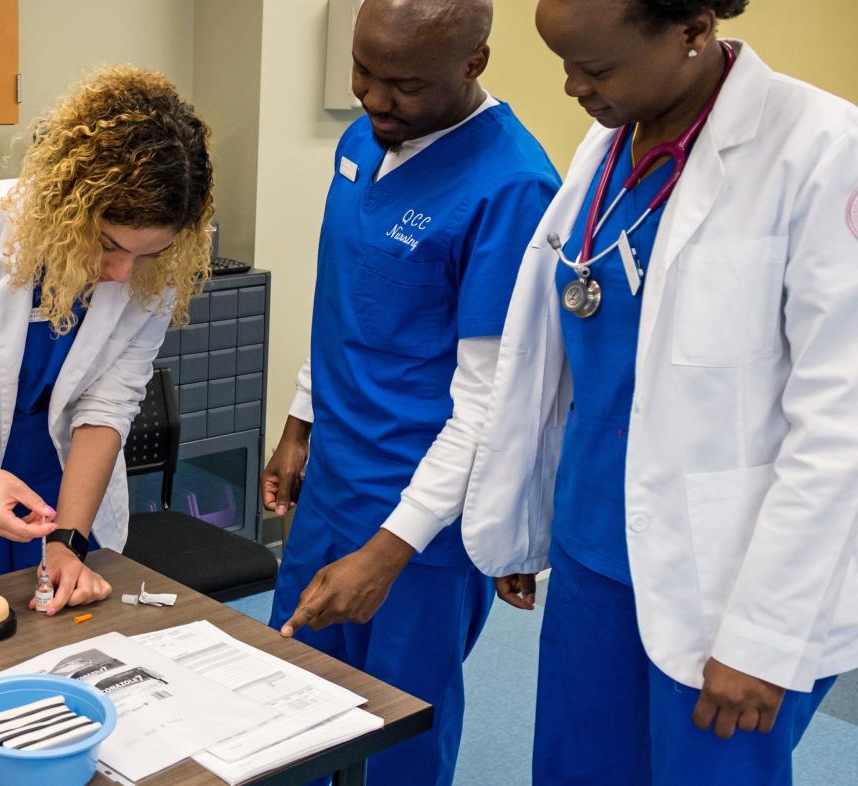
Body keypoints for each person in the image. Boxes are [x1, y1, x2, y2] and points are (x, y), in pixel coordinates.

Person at [465, 0, 858, 782]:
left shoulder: (826, 150)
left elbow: (840, 427)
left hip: (727, 580)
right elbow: (568, 354)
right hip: (594, 550)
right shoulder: (612, 139)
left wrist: (763, 635)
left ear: (692, 30)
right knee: (575, 769)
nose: (571, 88)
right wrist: (525, 512)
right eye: (564, 63)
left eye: (595, 68)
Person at [257, 1, 559, 783]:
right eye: (362, 70)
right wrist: (300, 418)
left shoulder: (513, 188)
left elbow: (491, 406)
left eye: (402, 84)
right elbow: (347, 294)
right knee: (289, 696)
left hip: (419, 519)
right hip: (333, 481)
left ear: (474, 64)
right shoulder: (366, 138)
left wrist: (389, 552)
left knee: (396, 728)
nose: (374, 98)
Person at [0, 66, 214, 614]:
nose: (124, 273)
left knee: (74, 626)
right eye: (108, 245)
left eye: (147, 252)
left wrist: (69, 538)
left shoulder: (158, 270)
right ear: (70, 210)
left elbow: (110, 405)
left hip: (73, 472)